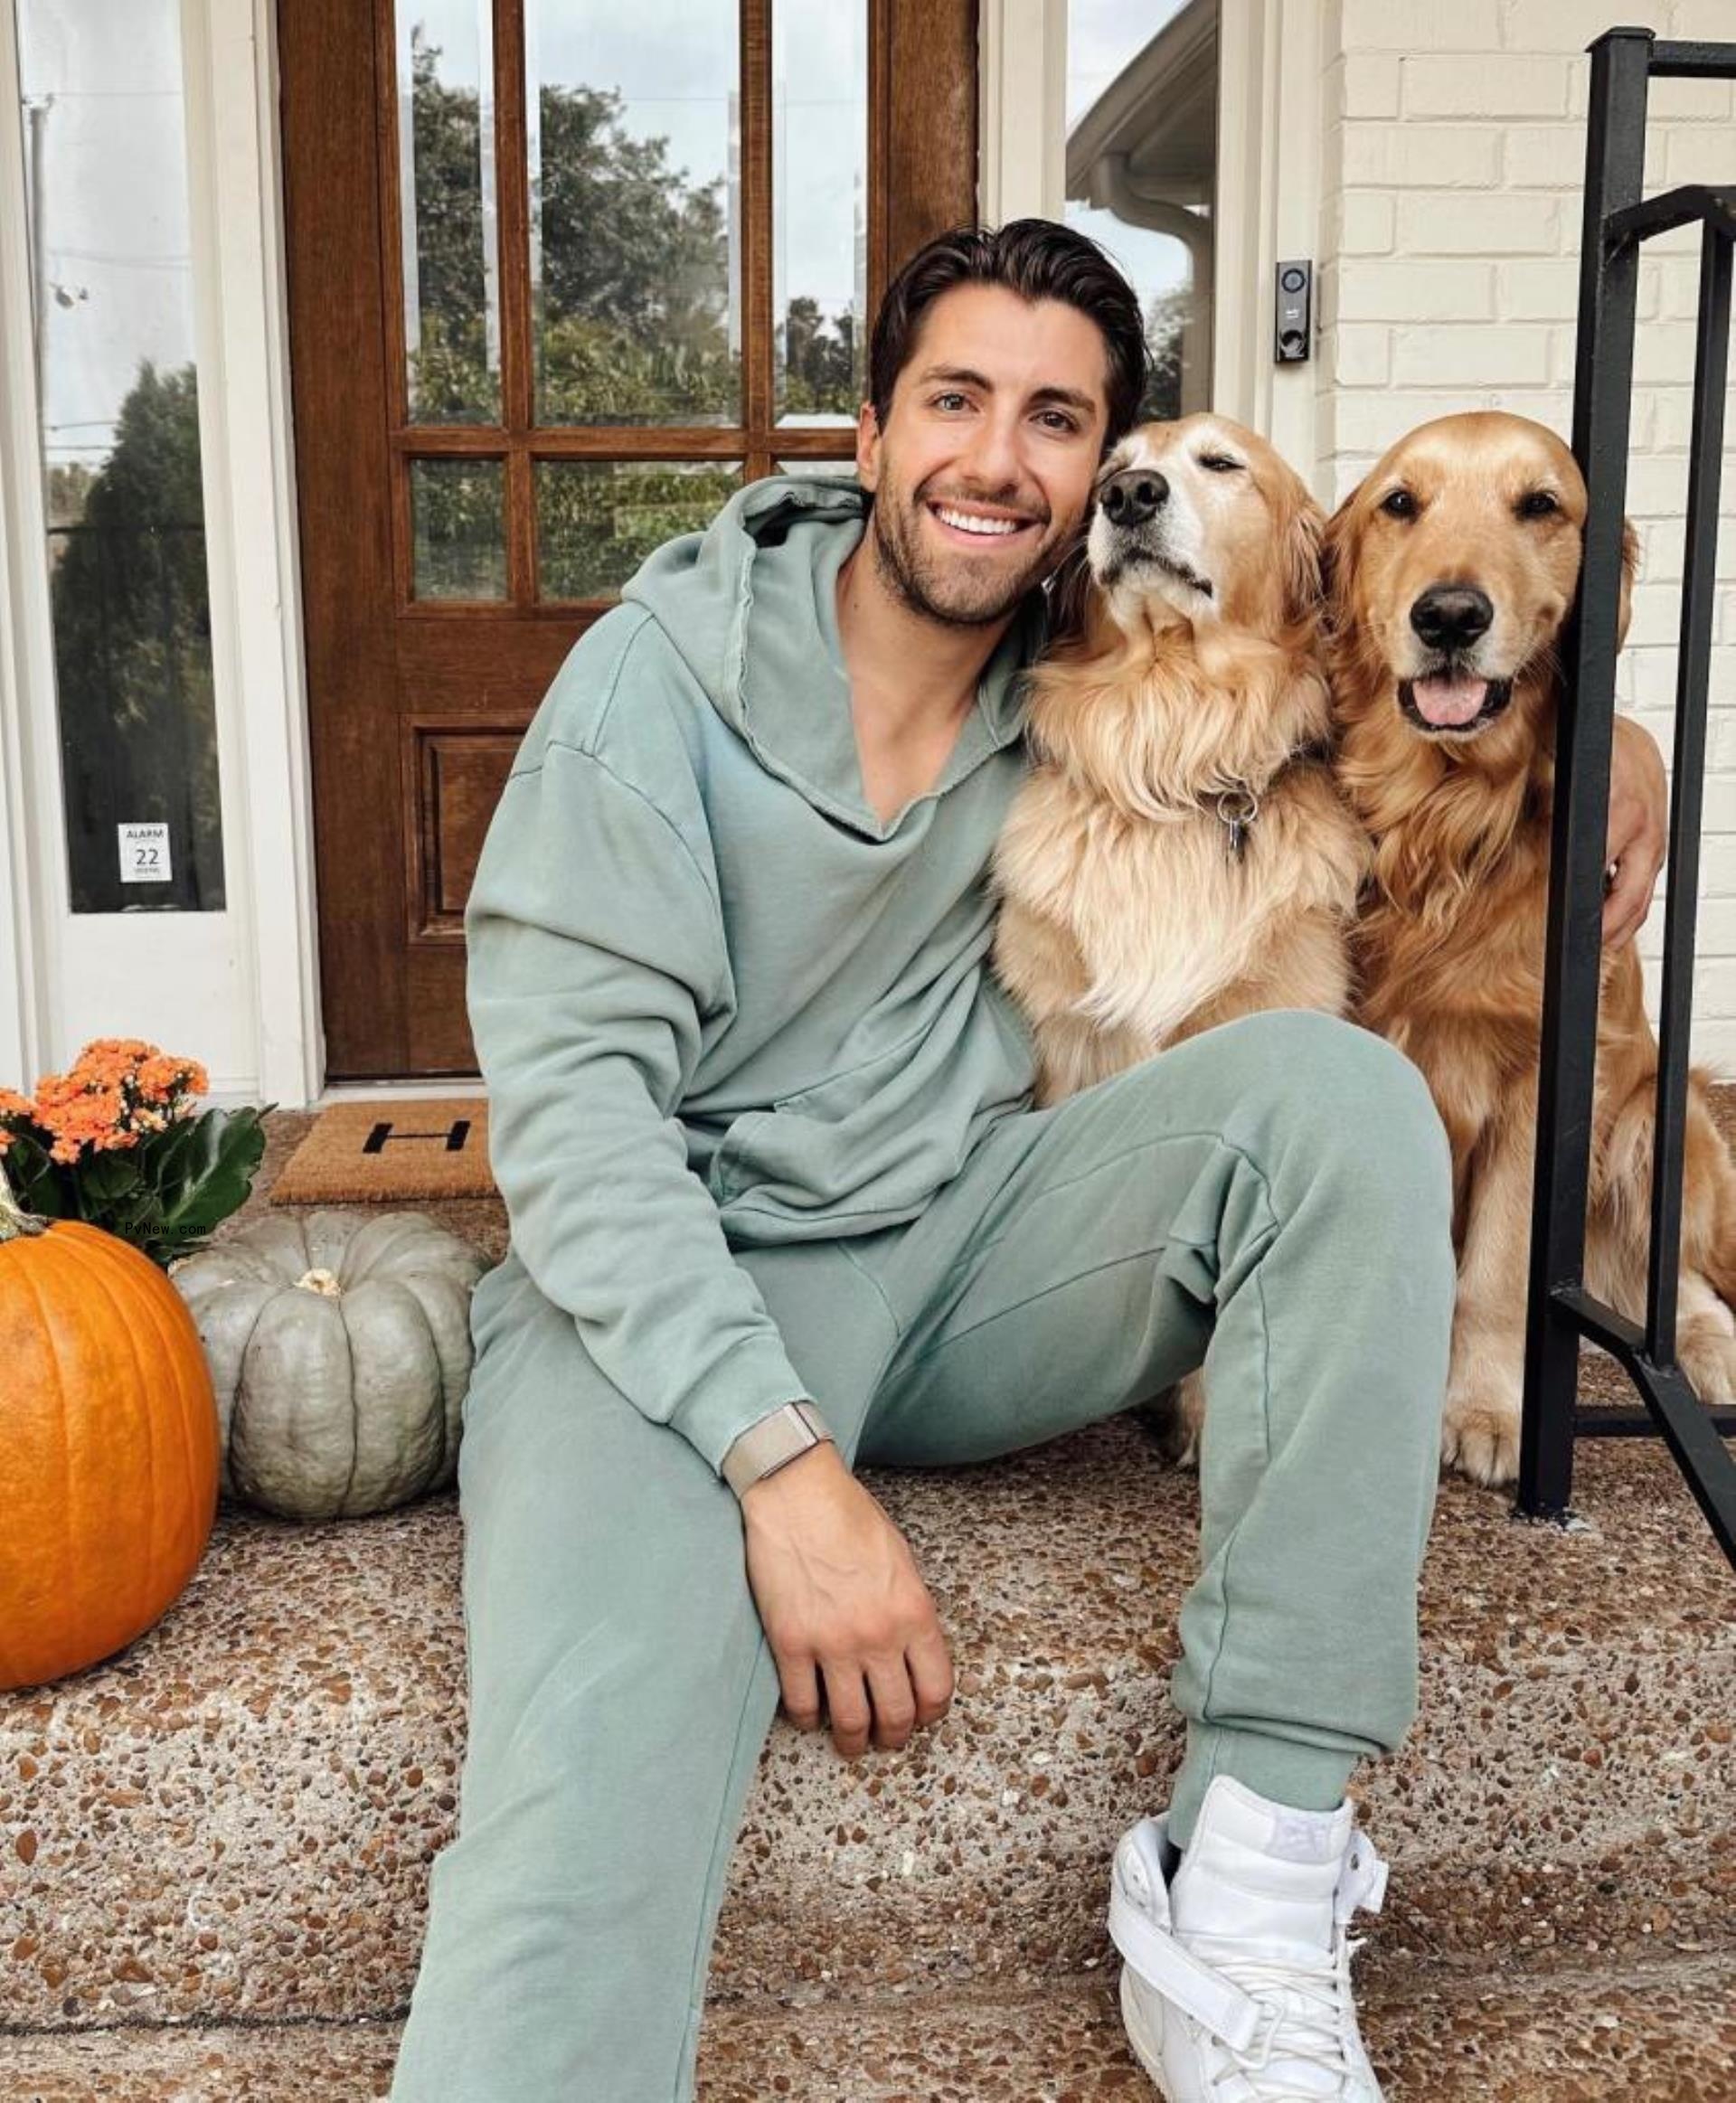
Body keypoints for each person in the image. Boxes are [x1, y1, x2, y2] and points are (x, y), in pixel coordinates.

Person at [388, 220, 1669, 2103]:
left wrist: (1616, 736)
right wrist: (782, 1466)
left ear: (1096, 484)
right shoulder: (653, 683)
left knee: (1339, 1095)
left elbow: (1382, 659)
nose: (997, 460)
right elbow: (575, 1128)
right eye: (956, 403)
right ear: (870, 432)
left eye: (1057, 420)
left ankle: (1250, 1879)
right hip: (669, 1290)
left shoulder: (1080, 672)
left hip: (972, 1251)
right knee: (588, 1775)